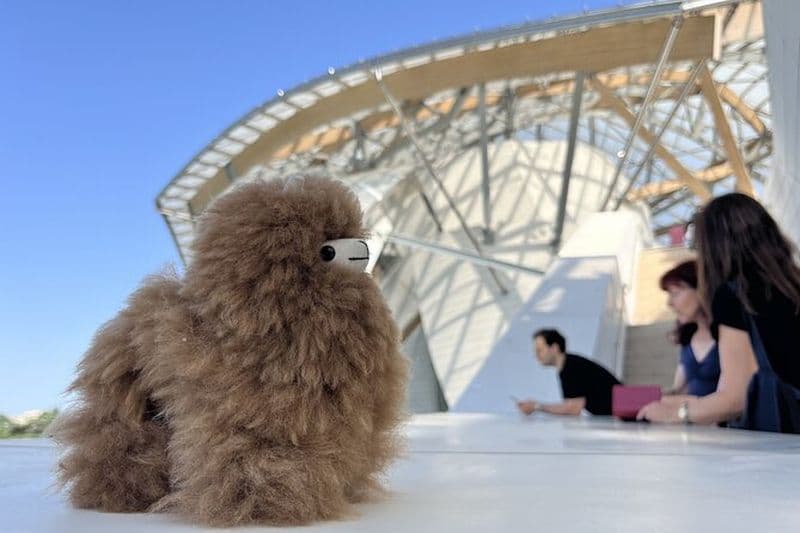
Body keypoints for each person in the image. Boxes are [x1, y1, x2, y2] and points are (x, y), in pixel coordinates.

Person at [638, 193, 800, 432]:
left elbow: (735, 398)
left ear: (714, 246)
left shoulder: (735, 294)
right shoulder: (791, 287)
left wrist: (678, 413)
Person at [517, 328, 621, 416]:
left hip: (629, 413)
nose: (536, 355)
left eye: (540, 350)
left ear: (554, 348)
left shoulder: (571, 367)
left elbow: (572, 408)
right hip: (623, 414)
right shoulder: (568, 365)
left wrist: (536, 406)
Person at [660, 260, 720, 397]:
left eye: (675, 293)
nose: (669, 303)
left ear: (701, 289)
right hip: (692, 415)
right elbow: (678, 389)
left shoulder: (730, 335)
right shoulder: (688, 338)